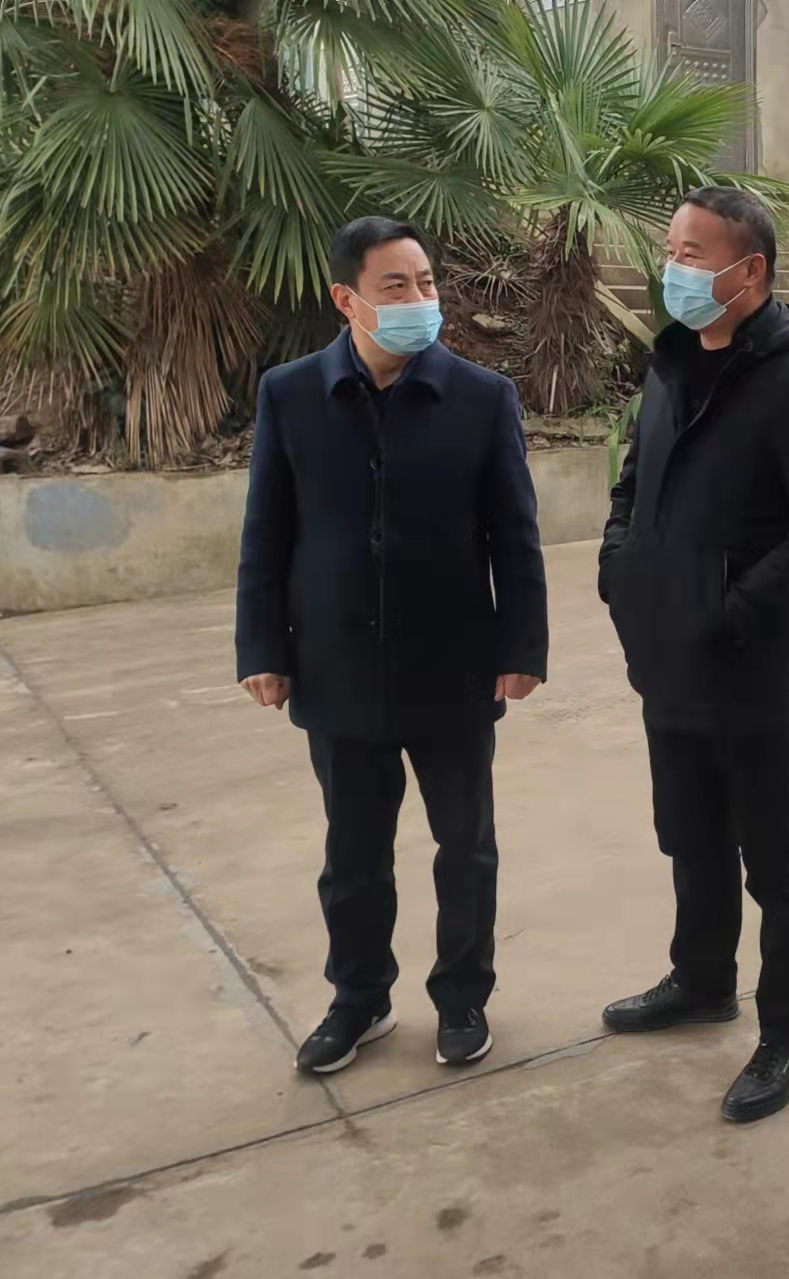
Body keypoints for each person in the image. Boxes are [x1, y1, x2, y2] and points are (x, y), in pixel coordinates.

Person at [235, 215, 548, 1075]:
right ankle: (359, 998)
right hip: (335, 666)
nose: (419, 298)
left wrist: (521, 644)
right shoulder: (291, 394)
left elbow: (514, 535)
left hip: (453, 665)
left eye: (426, 281)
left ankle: (462, 998)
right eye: (395, 286)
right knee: (353, 855)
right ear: (347, 299)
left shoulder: (481, 396)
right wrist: (261, 646)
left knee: (466, 847)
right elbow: (266, 533)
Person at [596, 187, 789, 1124]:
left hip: (754, 670)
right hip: (669, 659)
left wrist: (733, 608)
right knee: (690, 832)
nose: (671, 266)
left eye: (691, 253)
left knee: (778, 861)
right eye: (670, 247)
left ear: (748, 271)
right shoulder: (673, 361)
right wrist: (620, 567)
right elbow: (634, 481)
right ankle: (701, 978)